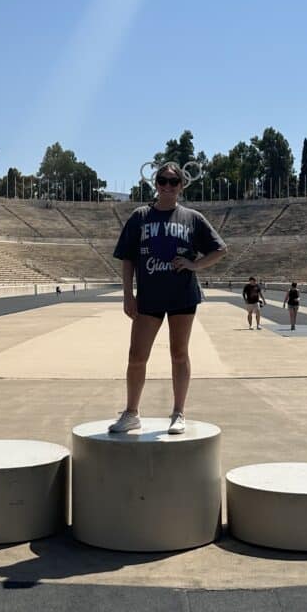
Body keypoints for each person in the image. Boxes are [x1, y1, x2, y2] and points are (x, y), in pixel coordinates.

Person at [110, 162, 227, 434]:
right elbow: (128, 257)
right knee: (137, 356)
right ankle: (131, 412)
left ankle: (178, 412)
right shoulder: (141, 216)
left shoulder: (192, 218)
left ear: (181, 185)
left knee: (179, 353)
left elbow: (220, 249)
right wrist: (127, 294)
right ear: (156, 182)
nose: (167, 185)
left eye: (174, 181)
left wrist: (195, 265)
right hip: (148, 295)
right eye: (163, 180)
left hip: (182, 294)